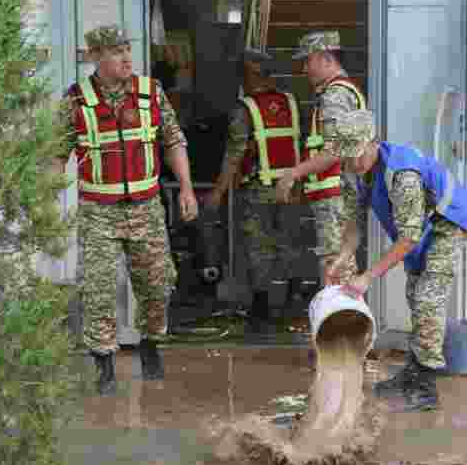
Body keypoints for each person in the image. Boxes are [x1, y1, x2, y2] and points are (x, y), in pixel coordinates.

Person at [56, 25, 198, 395]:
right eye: (115, 52)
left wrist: (186, 187)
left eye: (126, 50)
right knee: (99, 288)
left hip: (146, 207)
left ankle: (150, 344)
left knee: (156, 284)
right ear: (95, 58)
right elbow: (54, 156)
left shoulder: (150, 94)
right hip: (98, 211)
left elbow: (173, 140)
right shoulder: (75, 100)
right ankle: (103, 363)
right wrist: (45, 202)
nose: (125, 58)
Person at [323, 109, 467, 412]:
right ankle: (414, 370)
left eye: (356, 156)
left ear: (372, 143)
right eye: (345, 158)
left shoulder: (403, 175)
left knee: (427, 300)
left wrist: (368, 277)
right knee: (415, 295)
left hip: (450, 222)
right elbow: (353, 225)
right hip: (421, 226)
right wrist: (342, 258)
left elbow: (408, 237)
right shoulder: (353, 172)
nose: (351, 164)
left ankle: (426, 387)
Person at [205, 48, 302, 333]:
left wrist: (218, 192)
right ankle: (291, 305)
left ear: (251, 75)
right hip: (291, 188)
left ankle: (261, 310)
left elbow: (233, 155)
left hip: (258, 189)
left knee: (258, 248)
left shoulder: (244, 108)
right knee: (288, 246)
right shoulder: (292, 103)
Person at [273, 31, 368, 290]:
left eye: (308, 61)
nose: (304, 69)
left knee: (337, 271)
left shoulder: (335, 95)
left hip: (336, 197)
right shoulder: (340, 91)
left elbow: (334, 151)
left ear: (326, 59)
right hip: (337, 195)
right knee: (338, 266)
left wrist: (294, 174)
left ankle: (343, 327)